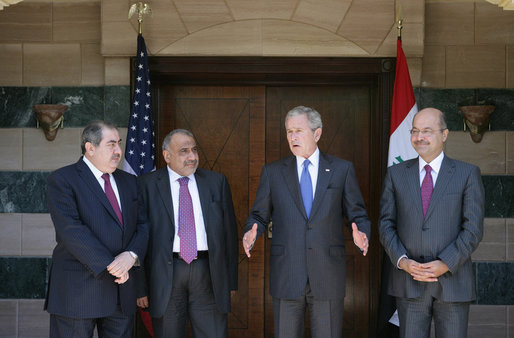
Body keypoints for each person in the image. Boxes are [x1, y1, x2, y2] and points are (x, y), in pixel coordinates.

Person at [242, 106, 370, 338]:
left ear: (317, 134)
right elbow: (258, 215)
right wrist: (251, 232)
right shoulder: (273, 172)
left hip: (327, 273)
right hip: (287, 273)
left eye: (298, 131)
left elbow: (357, 214)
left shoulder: (341, 170)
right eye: (289, 132)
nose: (292, 137)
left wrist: (362, 233)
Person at [379, 107, 484, 338]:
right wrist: (403, 261)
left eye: (427, 131)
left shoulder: (467, 174)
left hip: (453, 281)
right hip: (409, 281)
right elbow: (386, 224)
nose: (419, 137)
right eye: (415, 131)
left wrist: (445, 263)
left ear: (444, 134)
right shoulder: (396, 174)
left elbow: (473, 229)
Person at [45, 121, 148, 338]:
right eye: (111, 144)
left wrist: (131, 255)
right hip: (78, 293)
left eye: (119, 144)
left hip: (121, 293)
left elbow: (143, 225)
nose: (118, 151)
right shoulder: (63, 179)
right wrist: (113, 265)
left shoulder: (130, 182)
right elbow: (71, 230)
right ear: (90, 148)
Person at [136, 129, 238, 338]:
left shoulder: (216, 182)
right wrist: (140, 286)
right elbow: (138, 237)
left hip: (208, 272)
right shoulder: (146, 185)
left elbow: (229, 235)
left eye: (194, 150)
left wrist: (230, 281)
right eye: (184, 151)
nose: (192, 156)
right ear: (167, 156)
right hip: (165, 275)